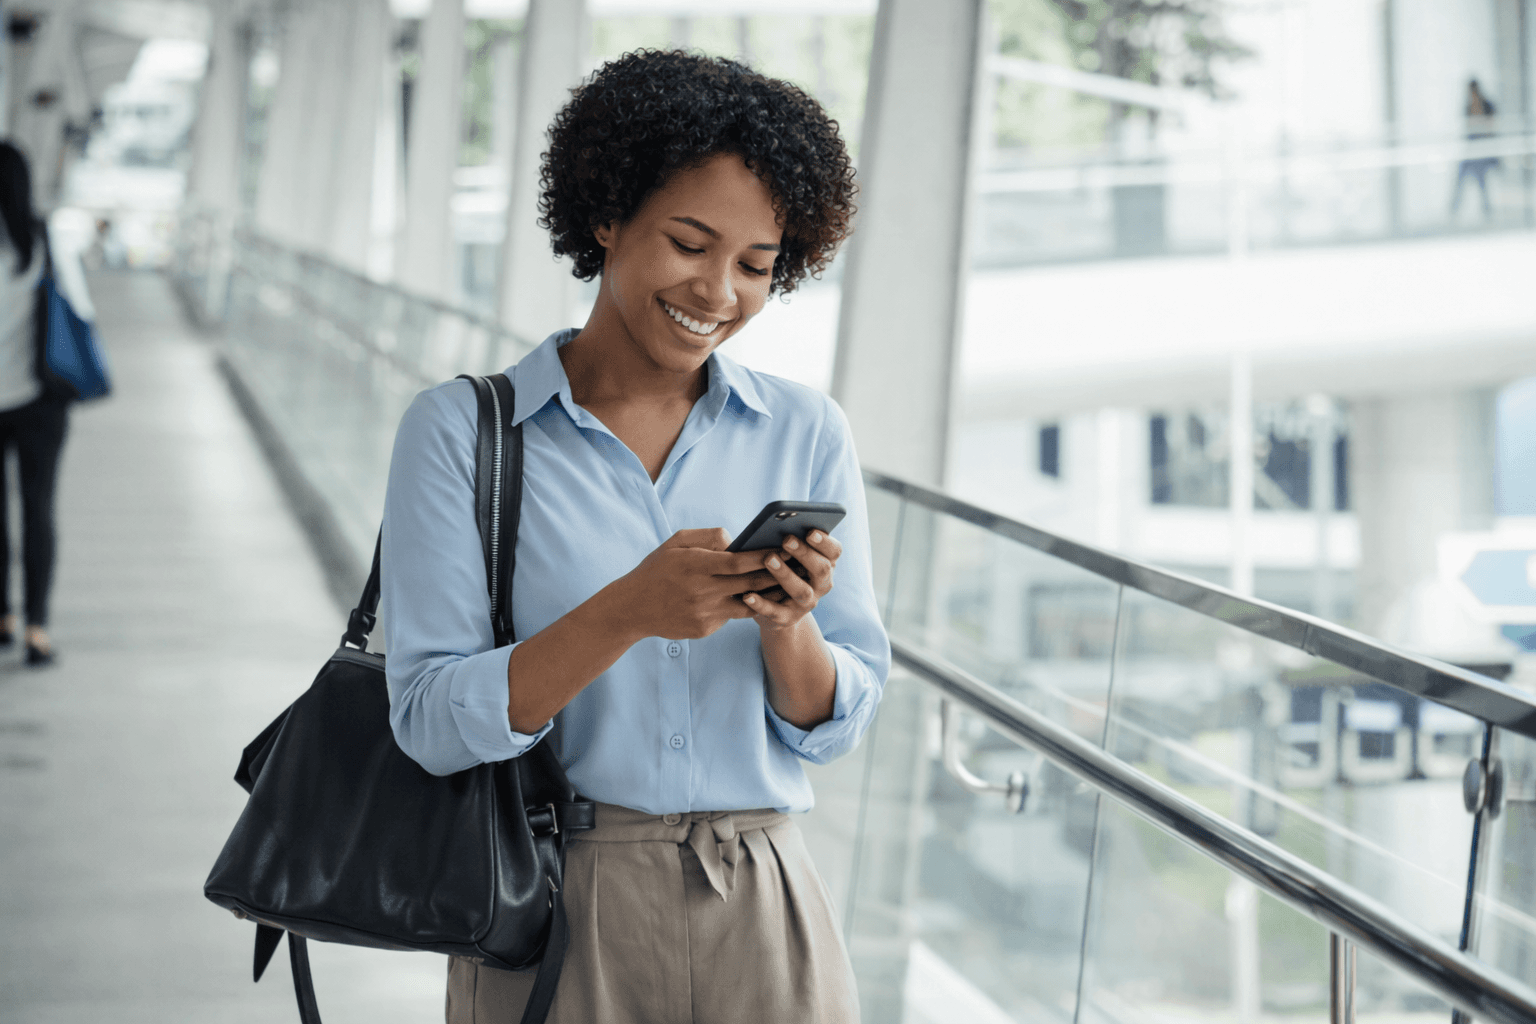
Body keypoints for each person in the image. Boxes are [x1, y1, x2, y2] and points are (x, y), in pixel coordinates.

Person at [380, 50, 884, 1022]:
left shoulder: (806, 430)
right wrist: (627, 612)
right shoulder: (461, 432)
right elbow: (431, 724)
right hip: (550, 898)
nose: (718, 293)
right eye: (689, 244)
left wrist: (787, 625)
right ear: (607, 213)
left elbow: (841, 718)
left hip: (764, 899)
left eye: (755, 266)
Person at [0, 140, 71, 667]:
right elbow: (78, 309)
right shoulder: (42, 241)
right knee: (38, 509)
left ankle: (2, 615)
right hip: (41, 401)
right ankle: (37, 628)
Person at [1450, 78, 1499, 221]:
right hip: (1471, 150)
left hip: (1483, 150)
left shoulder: (1488, 106)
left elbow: (1491, 128)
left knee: (1482, 181)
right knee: (1461, 179)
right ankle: (1454, 209)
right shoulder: (1468, 107)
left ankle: (1486, 210)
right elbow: (1467, 128)